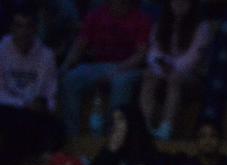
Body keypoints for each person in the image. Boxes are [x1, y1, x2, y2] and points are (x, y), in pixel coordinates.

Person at [58, 0, 152, 137]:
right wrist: (66, 64)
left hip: (128, 67)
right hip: (98, 65)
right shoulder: (95, 16)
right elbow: (80, 44)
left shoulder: (141, 20)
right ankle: (72, 135)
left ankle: (111, 137)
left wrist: (118, 69)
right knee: (70, 78)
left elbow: (141, 54)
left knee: (121, 83)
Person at [0, 5, 63, 165]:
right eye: (19, 26)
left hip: (34, 112)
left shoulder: (46, 56)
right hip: (8, 108)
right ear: (12, 28)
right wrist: (24, 103)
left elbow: (51, 94)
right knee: (13, 122)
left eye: (28, 26)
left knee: (56, 130)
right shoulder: (1, 50)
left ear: (34, 29)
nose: (23, 32)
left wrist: (46, 107)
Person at [139, 0, 212, 140]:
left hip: (192, 76)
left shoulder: (202, 27)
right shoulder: (161, 24)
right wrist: (162, 67)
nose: (179, 4)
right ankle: (145, 126)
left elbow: (193, 58)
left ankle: (166, 128)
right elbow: (154, 53)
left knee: (175, 79)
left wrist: (171, 68)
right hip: (164, 72)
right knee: (148, 76)